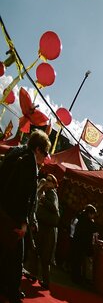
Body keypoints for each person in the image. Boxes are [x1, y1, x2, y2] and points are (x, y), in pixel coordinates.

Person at [0, 130, 50, 303]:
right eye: (44, 153)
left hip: (2, 210)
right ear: (37, 149)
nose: (45, 158)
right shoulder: (30, 162)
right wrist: (23, 222)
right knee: (16, 257)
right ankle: (11, 290)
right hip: (14, 217)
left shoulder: (14, 151)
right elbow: (25, 194)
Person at [34, 174, 60, 289]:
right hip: (43, 227)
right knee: (38, 252)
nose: (47, 182)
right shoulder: (46, 192)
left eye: (50, 181)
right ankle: (35, 275)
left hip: (48, 229)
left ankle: (46, 281)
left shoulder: (52, 193)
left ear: (54, 184)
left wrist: (44, 200)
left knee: (45, 256)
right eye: (47, 180)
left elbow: (54, 208)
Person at [70, 204, 98, 283]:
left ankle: (74, 277)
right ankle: (77, 278)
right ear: (89, 213)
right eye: (93, 214)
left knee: (75, 260)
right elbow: (93, 232)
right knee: (79, 262)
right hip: (82, 244)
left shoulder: (79, 217)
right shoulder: (89, 222)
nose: (93, 216)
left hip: (75, 241)